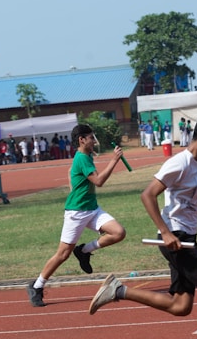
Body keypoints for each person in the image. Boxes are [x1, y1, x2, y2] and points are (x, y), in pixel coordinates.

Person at [87, 113, 197, 339]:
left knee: (181, 306)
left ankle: (119, 290)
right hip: (174, 238)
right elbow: (147, 195)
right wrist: (165, 231)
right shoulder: (179, 163)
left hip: (189, 237)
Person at [27, 124, 126, 307]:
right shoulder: (82, 157)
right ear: (82, 139)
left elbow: (72, 173)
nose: (93, 140)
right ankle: (37, 285)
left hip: (92, 209)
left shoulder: (86, 156)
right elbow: (99, 181)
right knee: (63, 254)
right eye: (90, 137)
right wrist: (114, 160)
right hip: (77, 213)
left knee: (118, 232)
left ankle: (83, 251)